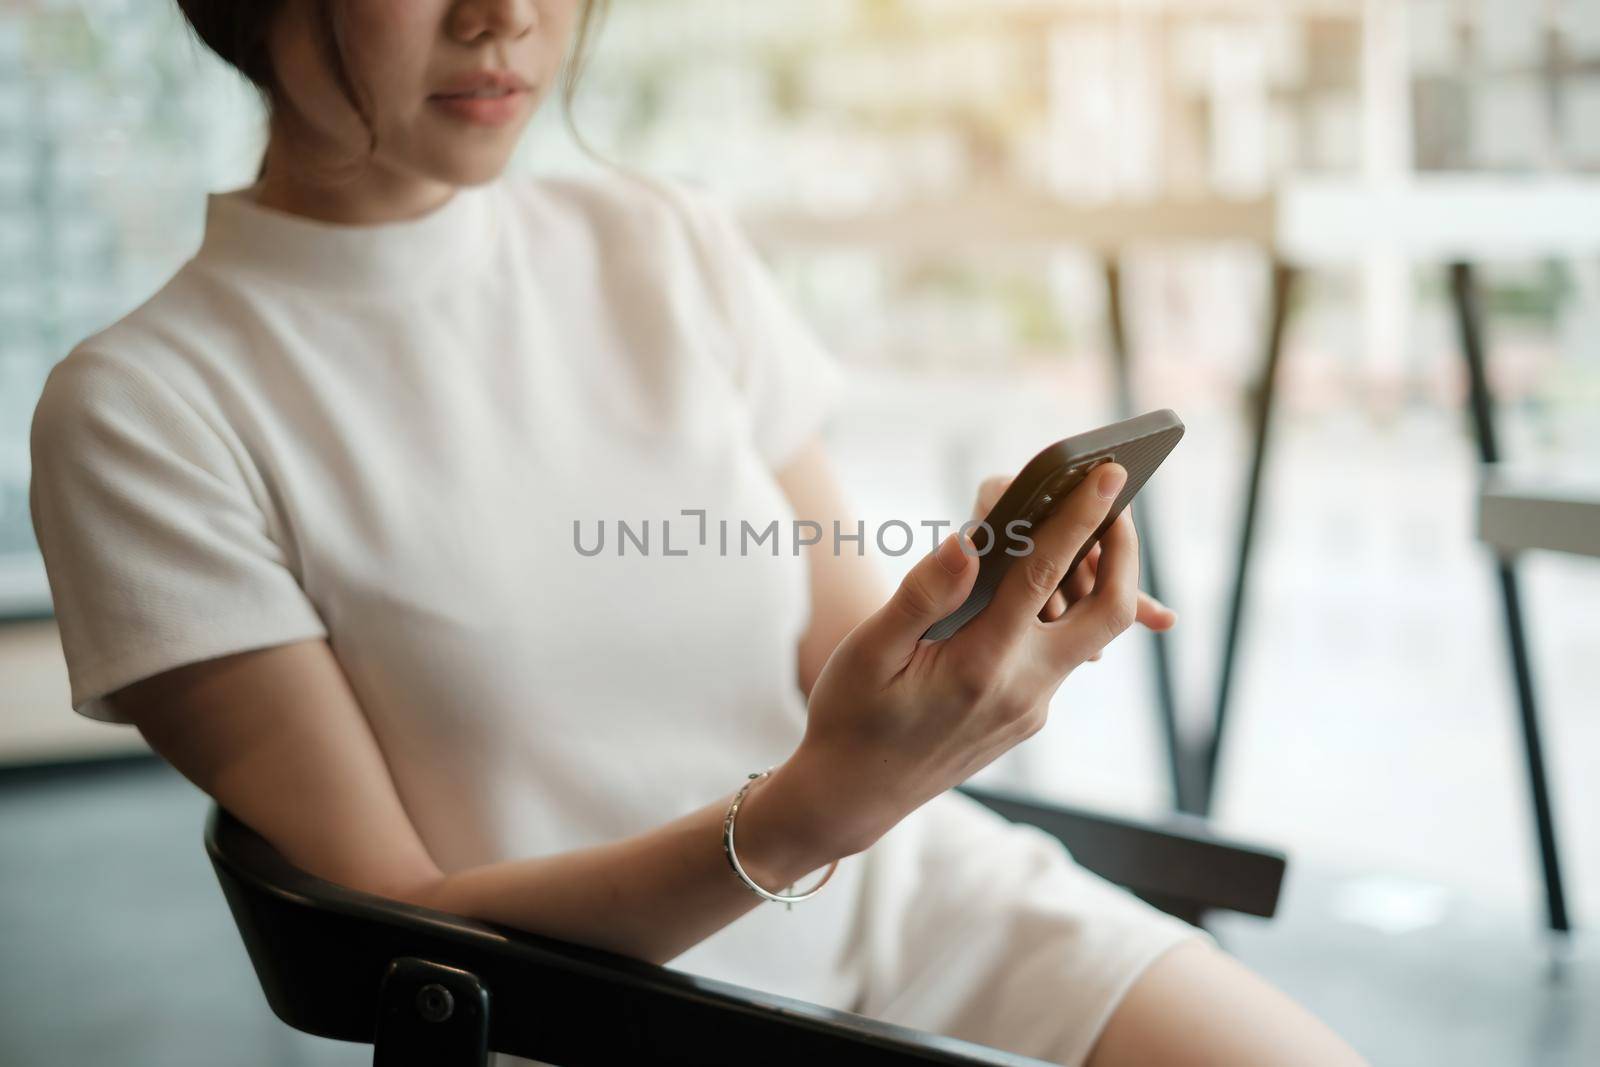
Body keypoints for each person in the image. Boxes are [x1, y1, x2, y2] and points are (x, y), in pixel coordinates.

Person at [26, 2, 1367, 1065]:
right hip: (596, 1019)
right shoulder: (145, 412)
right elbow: (400, 927)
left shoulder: (654, 240)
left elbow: (840, 658)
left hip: (916, 902)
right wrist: (794, 821)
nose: (506, 17)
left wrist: (973, 629)